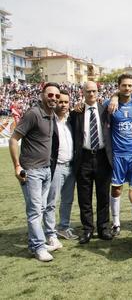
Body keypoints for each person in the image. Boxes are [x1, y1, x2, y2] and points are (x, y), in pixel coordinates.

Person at [8, 82, 61, 261]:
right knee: (35, 211)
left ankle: (34, 244)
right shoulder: (33, 114)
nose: (53, 98)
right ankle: (39, 246)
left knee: (41, 208)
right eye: (50, 95)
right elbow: (14, 139)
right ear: (42, 95)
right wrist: (17, 166)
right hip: (31, 171)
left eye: (56, 95)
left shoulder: (51, 115)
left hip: (46, 170)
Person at [69, 81, 113, 244]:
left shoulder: (106, 111)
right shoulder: (76, 113)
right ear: (83, 92)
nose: (91, 94)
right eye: (88, 91)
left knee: (103, 196)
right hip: (84, 158)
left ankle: (103, 228)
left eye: (94, 91)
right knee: (84, 197)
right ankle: (87, 229)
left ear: (98, 92)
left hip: (103, 158)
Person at [107, 74, 132, 236]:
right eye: (124, 85)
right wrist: (114, 97)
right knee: (116, 189)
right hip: (118, 155)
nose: (127, 88)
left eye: (130, 85)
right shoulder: (110, 105)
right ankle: (116, 222)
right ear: (118, 86)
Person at [48, 90, 78, 240]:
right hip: (57, 167)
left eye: (66, 102)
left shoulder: (70, 121)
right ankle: (50, 232)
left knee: (67, 200)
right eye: (61, 102)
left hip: (71, 167)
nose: (63, 105)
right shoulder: (49, 121)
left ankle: (64, 227)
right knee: (51, 201)